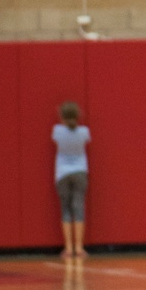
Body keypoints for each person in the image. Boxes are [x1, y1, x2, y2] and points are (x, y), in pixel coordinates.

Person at [52, 101, 91, 259]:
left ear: (61, 116)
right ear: (78, 115)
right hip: (80, 170)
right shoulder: (84, 131)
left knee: (66, 209)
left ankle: (68, 248)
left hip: (62, 172)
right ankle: (79, 247)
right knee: (79, 207)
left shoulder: (57, 131)